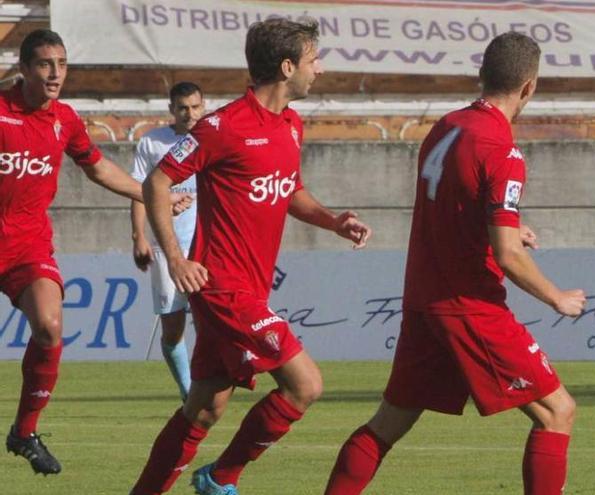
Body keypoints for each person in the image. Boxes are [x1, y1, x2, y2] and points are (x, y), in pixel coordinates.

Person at [324, 32, 586, 495]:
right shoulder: (502, 151)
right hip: (469, 305)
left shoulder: (447, 126)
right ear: (529, 88)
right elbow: (507, 257)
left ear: (482, 75)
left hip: (424, 301)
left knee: (387, 424)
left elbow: (450, 202)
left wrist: (499, 226)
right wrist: (556, 297)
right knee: (557, 411)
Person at [129, 18, 372, 495]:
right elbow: (157, 181)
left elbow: (290, 191)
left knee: (204, 407)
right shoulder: (223, 126)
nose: (318, 70)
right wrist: (176, 260)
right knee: (305, 385)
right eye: (312, 60)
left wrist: (332, 220)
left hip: (249, 287)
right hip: (222, 287)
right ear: (286, 67)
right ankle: (221, 478)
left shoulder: (290, 124)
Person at [1, 28, 191, 476]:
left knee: (49, 325)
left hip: (27, 243)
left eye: (62, 64)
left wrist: (151, 196)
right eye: (45, 64)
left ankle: (24, 431)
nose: (55, 73)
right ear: (24, 68)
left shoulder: (64, 119)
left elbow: (100, 169)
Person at [130, 81, 205, 401]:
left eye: (196, 107)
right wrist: (139, 236)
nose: (190, 114)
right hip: (166, 246)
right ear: (172, 110)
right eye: (183, 108)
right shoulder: (152, 143)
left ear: (204, 106)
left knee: (211, 323)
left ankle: (206, 389)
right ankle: (187, 390)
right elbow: (138, 192)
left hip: (207, 245)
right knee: (173, 328)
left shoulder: (214, 139)